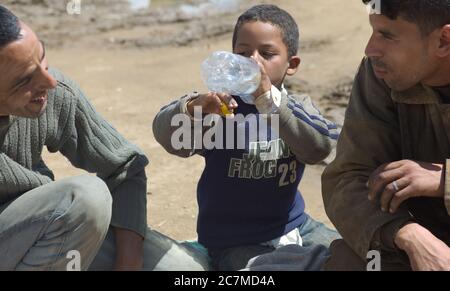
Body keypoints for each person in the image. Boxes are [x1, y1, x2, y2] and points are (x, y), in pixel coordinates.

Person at [0, 5, 209, 271]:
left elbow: (124, 166)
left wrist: (128, 265)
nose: (49, 81)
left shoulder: (51, 92)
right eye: (24, 80)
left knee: (187, 270)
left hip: (41, 233)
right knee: (86, 198)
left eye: (42, 56)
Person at [153, 4, 340, 271]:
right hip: (234, 241)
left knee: (355, 254)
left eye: (266, 54)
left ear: (292, 65)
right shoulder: (221, 108)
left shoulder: (296, 108)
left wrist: (270, 104)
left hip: (295, 225)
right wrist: (194, 107)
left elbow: (320, 147)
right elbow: (167, 136)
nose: (253, 62)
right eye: (243, 53)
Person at [322, 0, 450, 271]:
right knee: (350, 260)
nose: (370, 49)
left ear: (444, 40)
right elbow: (348, 178)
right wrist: (408, 235)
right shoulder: (381, 73)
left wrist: (443, 180)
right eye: (373, 30)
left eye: (387, 35)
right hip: (426, 243)